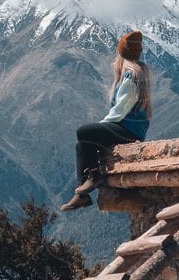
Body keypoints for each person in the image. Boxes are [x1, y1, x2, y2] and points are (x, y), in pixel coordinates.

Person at [60, 29, 152, 211]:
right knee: (82, 145)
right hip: (128, 129)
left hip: (128, 130)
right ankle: (82, 195)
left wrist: (100, 126)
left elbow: (121, 109)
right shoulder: (139, 73)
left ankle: (95, 177)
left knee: (84, 132)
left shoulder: (131, 76)